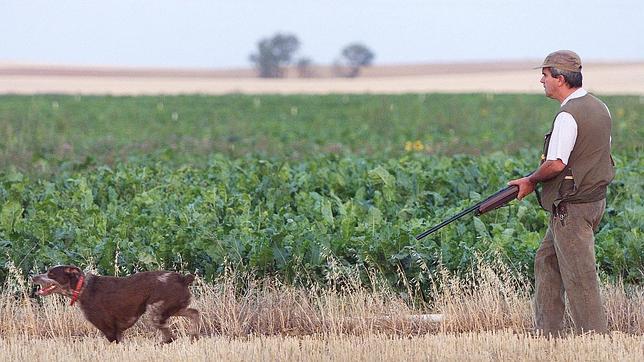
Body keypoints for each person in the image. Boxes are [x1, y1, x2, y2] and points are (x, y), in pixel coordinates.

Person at [508, 50, 614, 336]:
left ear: (560, 77)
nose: (541, 80)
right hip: (591, 202)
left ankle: (595, 340)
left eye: (545, 75)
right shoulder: (599, 107)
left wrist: (530, 180)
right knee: (547, 261)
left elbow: (556, 163)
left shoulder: (568, 115)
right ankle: (548, 335)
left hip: (572, 208)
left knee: (580, 277)